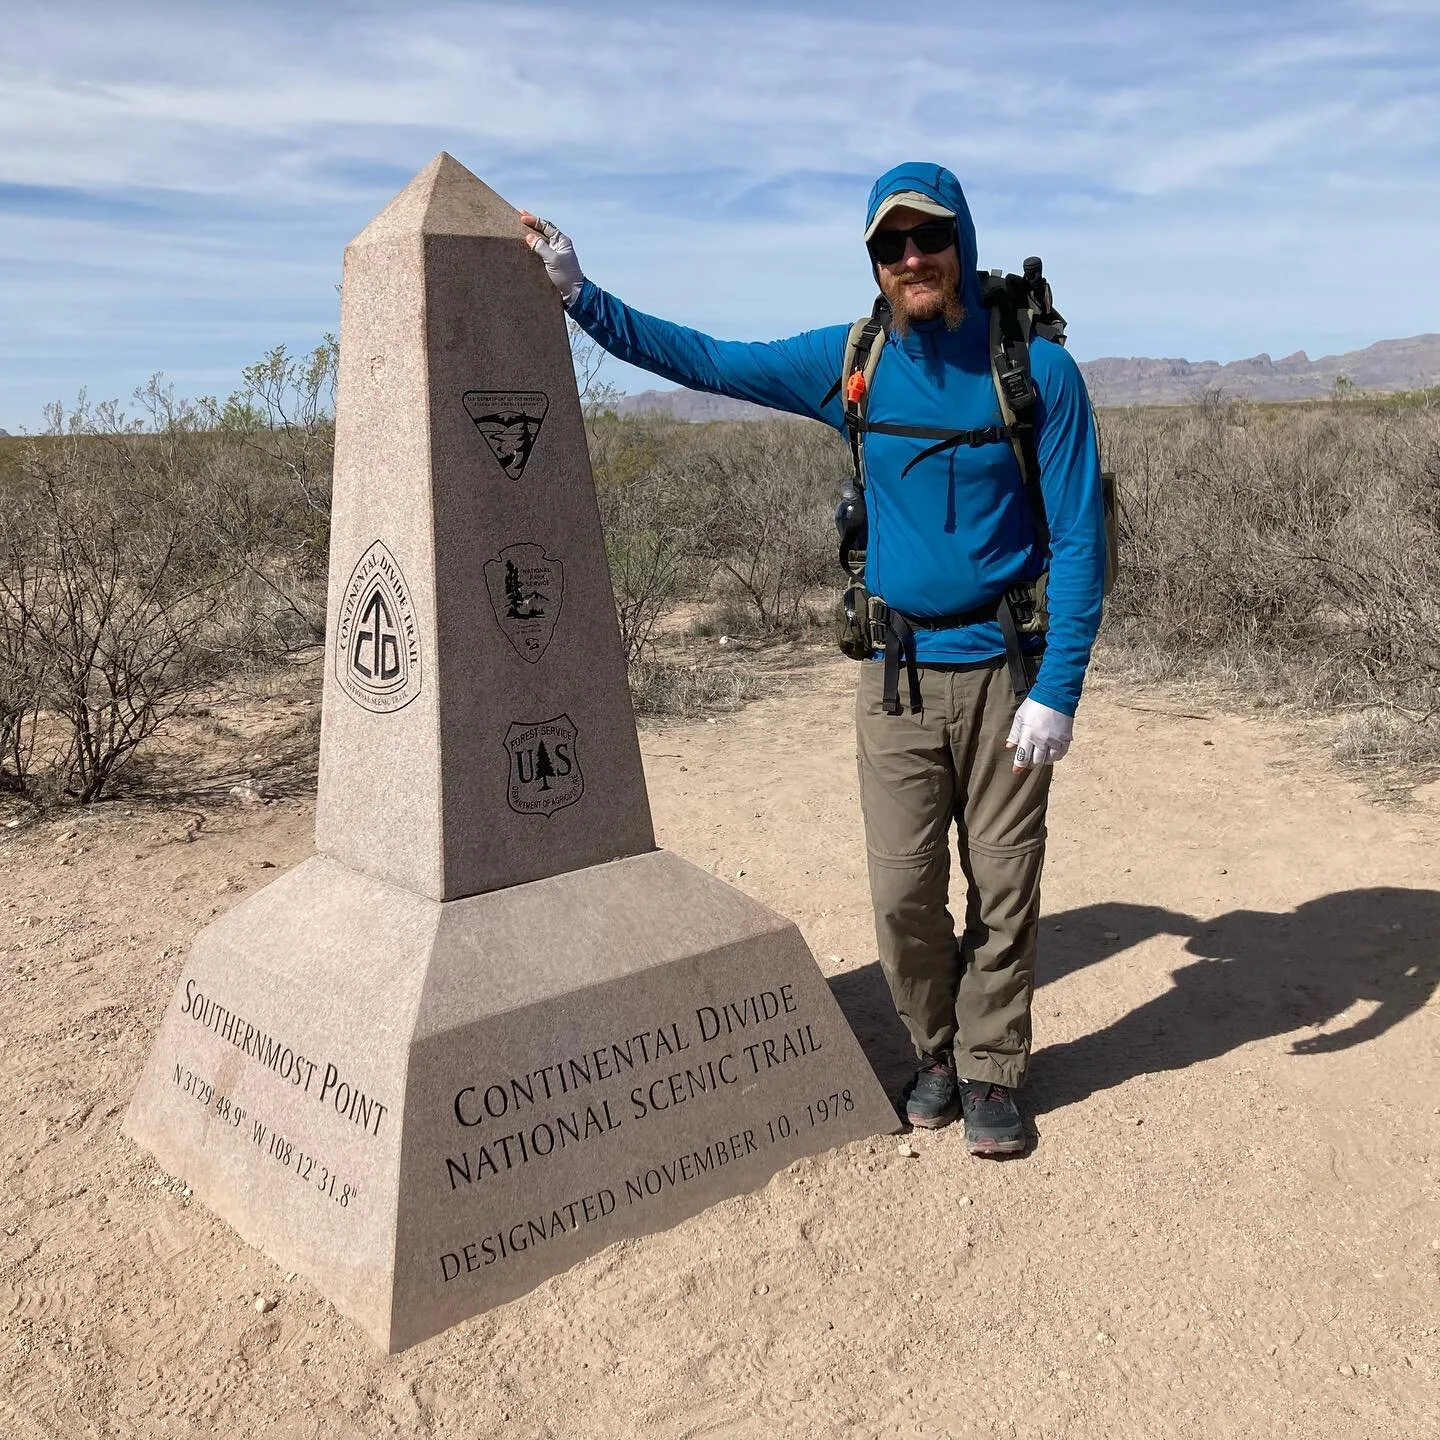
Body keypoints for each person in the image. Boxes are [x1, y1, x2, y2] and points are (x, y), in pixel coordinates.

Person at [522, 162, 1106, 1155]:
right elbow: (706, 358)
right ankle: (933, 1050)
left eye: (928, 238)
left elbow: (1086, 537)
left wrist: (1058, 690)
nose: (912, 258)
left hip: (1007, 675)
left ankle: (993, 1066)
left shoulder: (1036, 370)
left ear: (962, 240)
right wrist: (582, 296)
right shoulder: (854, 364)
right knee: (902, 890)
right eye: (891, 246)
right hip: (896, 680)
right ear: (875, 263)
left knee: (1004, 884)